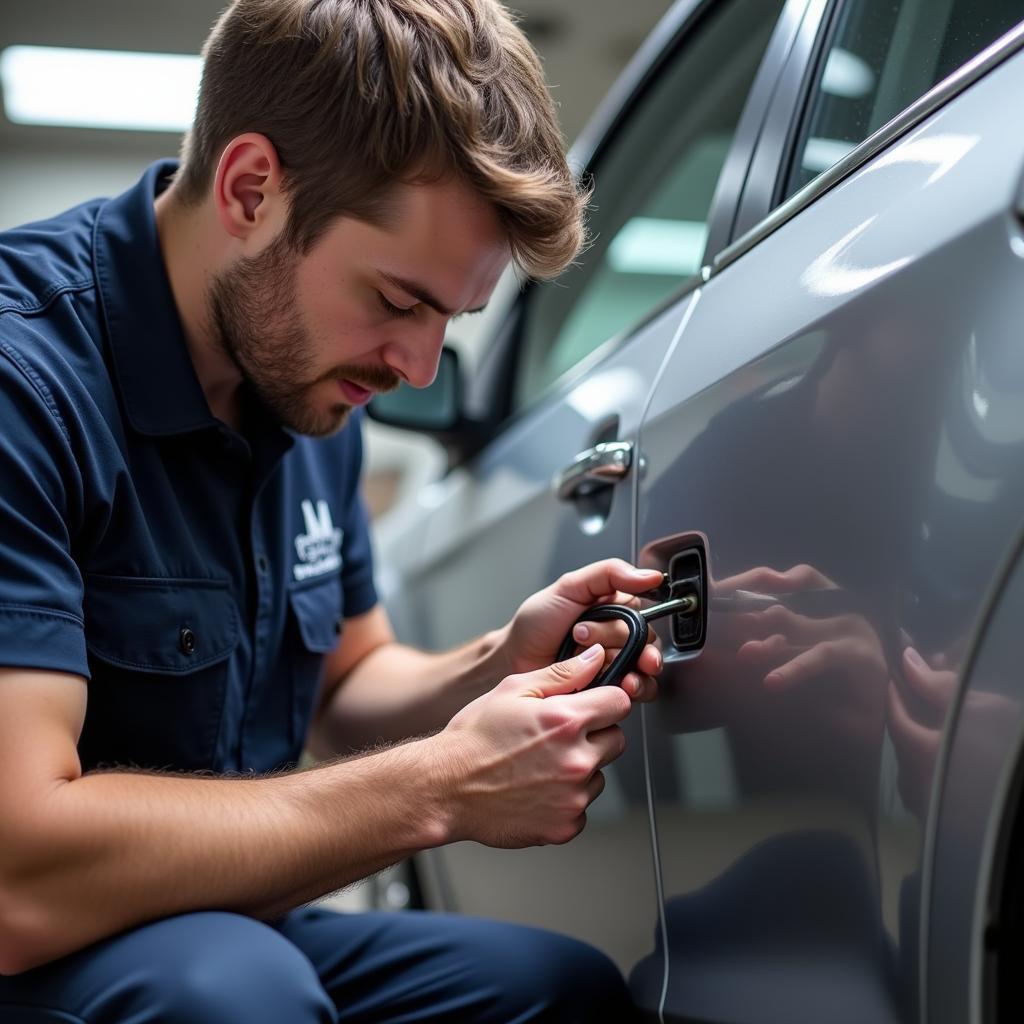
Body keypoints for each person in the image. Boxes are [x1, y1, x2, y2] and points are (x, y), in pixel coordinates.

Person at [0, 0, 666, 1020]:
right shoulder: (25, 383)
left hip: (234, 912)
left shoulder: (306, 374)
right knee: (235, 997)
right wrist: (440, 785)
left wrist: (500, 661)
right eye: (400, 301)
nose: (413, 366)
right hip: (48, 932)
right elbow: (21, 868)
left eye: (449, 318)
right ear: (252, 189)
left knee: (557, 992)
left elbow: (350, 674)